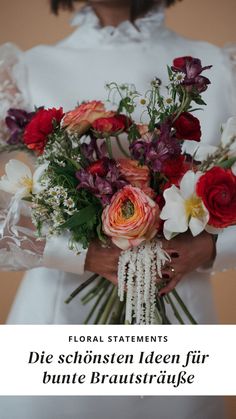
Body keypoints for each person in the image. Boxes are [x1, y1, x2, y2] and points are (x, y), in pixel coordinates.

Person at [0, 0, 235, 418]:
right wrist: (82, 254)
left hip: (180, 343)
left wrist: (213, 248)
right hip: (57, 337)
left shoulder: (222, 65)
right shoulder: (28, 68)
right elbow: (6, 205)